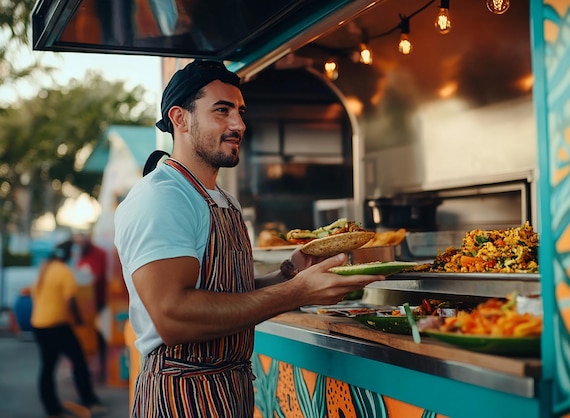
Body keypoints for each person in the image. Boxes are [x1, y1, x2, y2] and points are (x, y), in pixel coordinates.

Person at [113, 59, 385, 418]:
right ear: (179, 119)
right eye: (222, 111)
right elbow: (175, 317)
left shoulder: (223, 200)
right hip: (181, 395)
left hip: (231, 390)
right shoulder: (162, 197)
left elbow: (222, 293)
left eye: (240, 112)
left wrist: (289, 272)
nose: (239, 124)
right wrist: (297, 292)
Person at [30, 241, 106, 418]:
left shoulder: (45, 269)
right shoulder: (64, 272)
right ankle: (90, 401)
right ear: (67, 255)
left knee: (47, 367)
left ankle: (52, 409)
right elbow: (70, 300)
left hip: (39, 325)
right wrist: (79, 321)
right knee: (79, 361)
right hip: (57, 326)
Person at [71, 231, 109, 381]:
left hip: (97, 301)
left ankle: (99, 368)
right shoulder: (80, 255)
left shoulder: (98, 253)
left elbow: (96, 275)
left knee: (97, 335)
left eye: (81, 242)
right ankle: (87, 368)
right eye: (77, 242)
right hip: (84, 303)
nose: (79, 245)